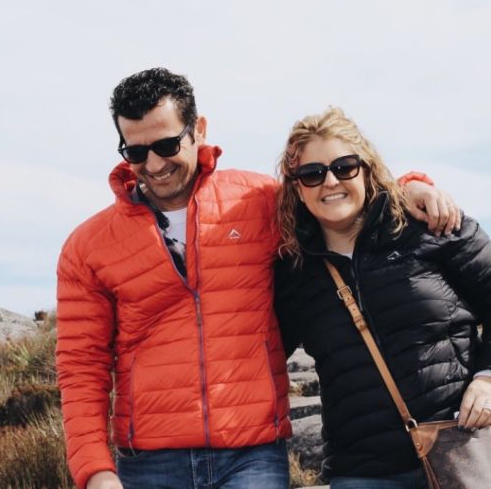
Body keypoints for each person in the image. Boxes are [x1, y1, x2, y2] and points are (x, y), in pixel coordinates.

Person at [56, 68, 460, 489]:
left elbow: (338, 194)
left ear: (199, 129)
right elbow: (81, 367)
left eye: (167, 144)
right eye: (136, 153)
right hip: (147, 465)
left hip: (252, 457)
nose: (154, 164)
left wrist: (409, 187)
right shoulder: (87, 247)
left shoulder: (260, 200)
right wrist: (96, 472)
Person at [273, 107, 491, 488]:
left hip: (464, 442)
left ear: (366, 169)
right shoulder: (294, 273)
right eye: (313, 174)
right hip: (364, 469)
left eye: (344, 167)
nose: (330, 182)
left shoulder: (429, 226)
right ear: (297, 186)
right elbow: (261, 349)